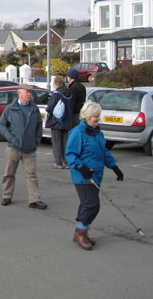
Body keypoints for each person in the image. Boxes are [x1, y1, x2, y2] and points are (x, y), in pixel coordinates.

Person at [65, 101, 124, 250]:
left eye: (98, 116)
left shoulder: (98, 133)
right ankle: (80, 232)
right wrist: (81, 167)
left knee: (87, 203)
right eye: (94, 117)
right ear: (86, 117)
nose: (97, 119)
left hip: (97, 174)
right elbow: (70, 154)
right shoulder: (77, 133)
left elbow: (104, 152)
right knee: (92, 204)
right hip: (83, 176)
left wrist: (114, 166)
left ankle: (81, 230)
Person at [0, 83, 47, 209]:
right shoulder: (10, 108)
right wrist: (10, 138)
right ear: (19, 92)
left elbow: (38, 126)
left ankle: (34, 199)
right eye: (27, 92)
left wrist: (36, 140)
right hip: (13, 147)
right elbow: (2, 124)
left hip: (29, 147)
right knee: (9, 173)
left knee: (32, 174)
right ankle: (7, 196)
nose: (29, 94)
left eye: (30, 92)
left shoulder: (34, 108)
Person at [45, 76, 74, 169]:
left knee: (57, 142)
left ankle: (58, 162)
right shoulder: (70, 94)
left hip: (56, 121)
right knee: (66, 142)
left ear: (56, 84)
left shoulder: (56, 94)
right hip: (68, 121)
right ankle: (67, 162)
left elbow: (50, 108)